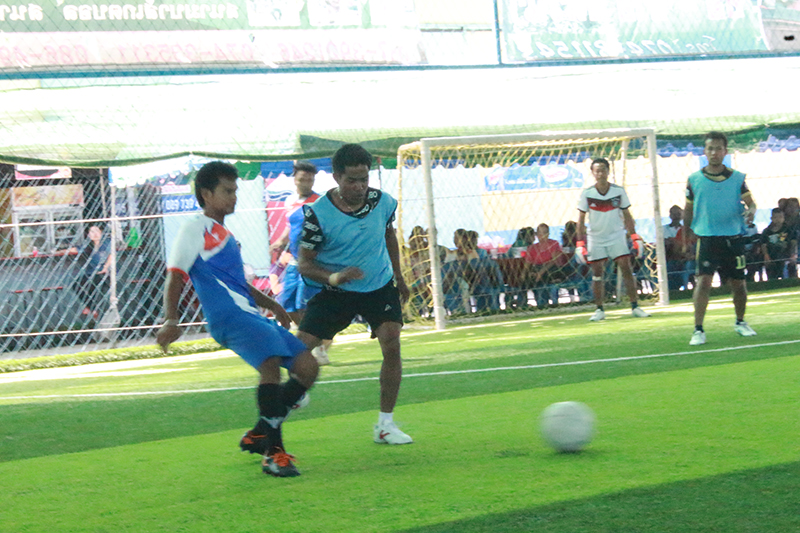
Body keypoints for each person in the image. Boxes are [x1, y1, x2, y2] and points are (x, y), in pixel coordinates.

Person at [156, 161, 319, 477]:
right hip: (229, 317)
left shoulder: (223, 233)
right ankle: (273, 454)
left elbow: (237, 284)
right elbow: (175, 275)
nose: (234, 197)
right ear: (206, 194)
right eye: (227, 191)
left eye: (235, 191)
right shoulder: (194, 228)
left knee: (308, 367)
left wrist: (273, 304)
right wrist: (171, 320)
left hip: (248, 314)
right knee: (270, 365)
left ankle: (260, 432)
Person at [295, 143, 413, 445]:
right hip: (337, 290)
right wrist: (334, 276)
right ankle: (296, 389)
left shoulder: (383, 202)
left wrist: (399, 276)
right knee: (298, 349)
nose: (359, 187)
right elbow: (304, 264)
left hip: (379, 285)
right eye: (351, 180)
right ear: (336, 177)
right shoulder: (318, 213)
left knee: (392, 340)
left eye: (364, 179)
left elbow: (388, 233)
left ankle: (385, 425)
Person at [683, 131, 758, 346]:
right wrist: (686, 236)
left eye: (718, 148)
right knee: (703, 282)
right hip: (707, 238)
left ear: (725, 151)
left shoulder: (737, 178)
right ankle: (698, 329)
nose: (714, 152)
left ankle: (740, 322)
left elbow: (751, 203)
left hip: (733, 237)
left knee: (739, 283)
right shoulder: (694, 180)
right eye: (710, 149)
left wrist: (751, 211)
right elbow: (688, 209)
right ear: (705, 151)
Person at [269, 161, 332, 365]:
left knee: (305, 306)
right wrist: (280, 241)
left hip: (311, 263)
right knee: (287, 304)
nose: (306, 183)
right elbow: (290, 226)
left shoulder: (319, 202)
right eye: (302, 179)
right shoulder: (290, 201)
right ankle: (314, 339)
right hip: (294, 261)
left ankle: (316, 347)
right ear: (294, 179)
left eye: (310, 179)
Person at [576, 157, 651, 321]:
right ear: (592, 173)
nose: (600, 173)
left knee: (626, 268)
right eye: (597, 171)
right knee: (597, 273)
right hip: (596, 237)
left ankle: (635, 306)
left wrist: (634, 236)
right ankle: (599, 309)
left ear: (608, 171)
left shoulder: (618, 191)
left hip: (617, 236)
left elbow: (627, 215)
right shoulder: (587, 194)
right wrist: (580, 243)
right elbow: (580, 220)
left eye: (603, 170)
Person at [69, 224, 112, 320]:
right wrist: (58, 251)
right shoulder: (88, 246)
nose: (95, 234)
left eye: (97, 231)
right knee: (77, 285)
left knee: (94, 285)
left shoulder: (107, 243)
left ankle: (94, 310)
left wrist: (105, 267)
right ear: (88, 235)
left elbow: (111, 255)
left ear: (101, 232)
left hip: (105, 273)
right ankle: (92, 309)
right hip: (91, 273)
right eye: (92, 232)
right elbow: (75, 249)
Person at [525, 223, 566, 309]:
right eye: (539, 233)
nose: (541, 235)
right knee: (532, 279)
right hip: (537, 269)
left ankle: (550, 304)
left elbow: (554, 261)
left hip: (551, 269)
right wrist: (527, 273)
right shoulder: (532, 248)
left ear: (548, 234)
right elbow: (528, 264)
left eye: (544, 233)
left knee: (545, 278)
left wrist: (541, 272)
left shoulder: (554, 244)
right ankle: (540, 304)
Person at [761, 207, 796, 280]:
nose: (778, 219)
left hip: (785, 254)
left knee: (787, 265)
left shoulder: (788, 230)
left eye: (780, 217)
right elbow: (764, 244)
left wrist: (793, 254)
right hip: (771, 255)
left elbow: (793, 242)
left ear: (784, 218)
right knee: (770, 267)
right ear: (771, 218)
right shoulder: (766, 232)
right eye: (775, 217)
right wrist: (766, 255)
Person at [663, 205, 687, 291]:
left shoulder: (685, 229)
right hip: (670, 256)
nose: (676, 216)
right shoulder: (663, 229)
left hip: (684, 256)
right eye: (674, 214)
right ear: (670, 215)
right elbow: (665, 242)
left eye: (678, 214)